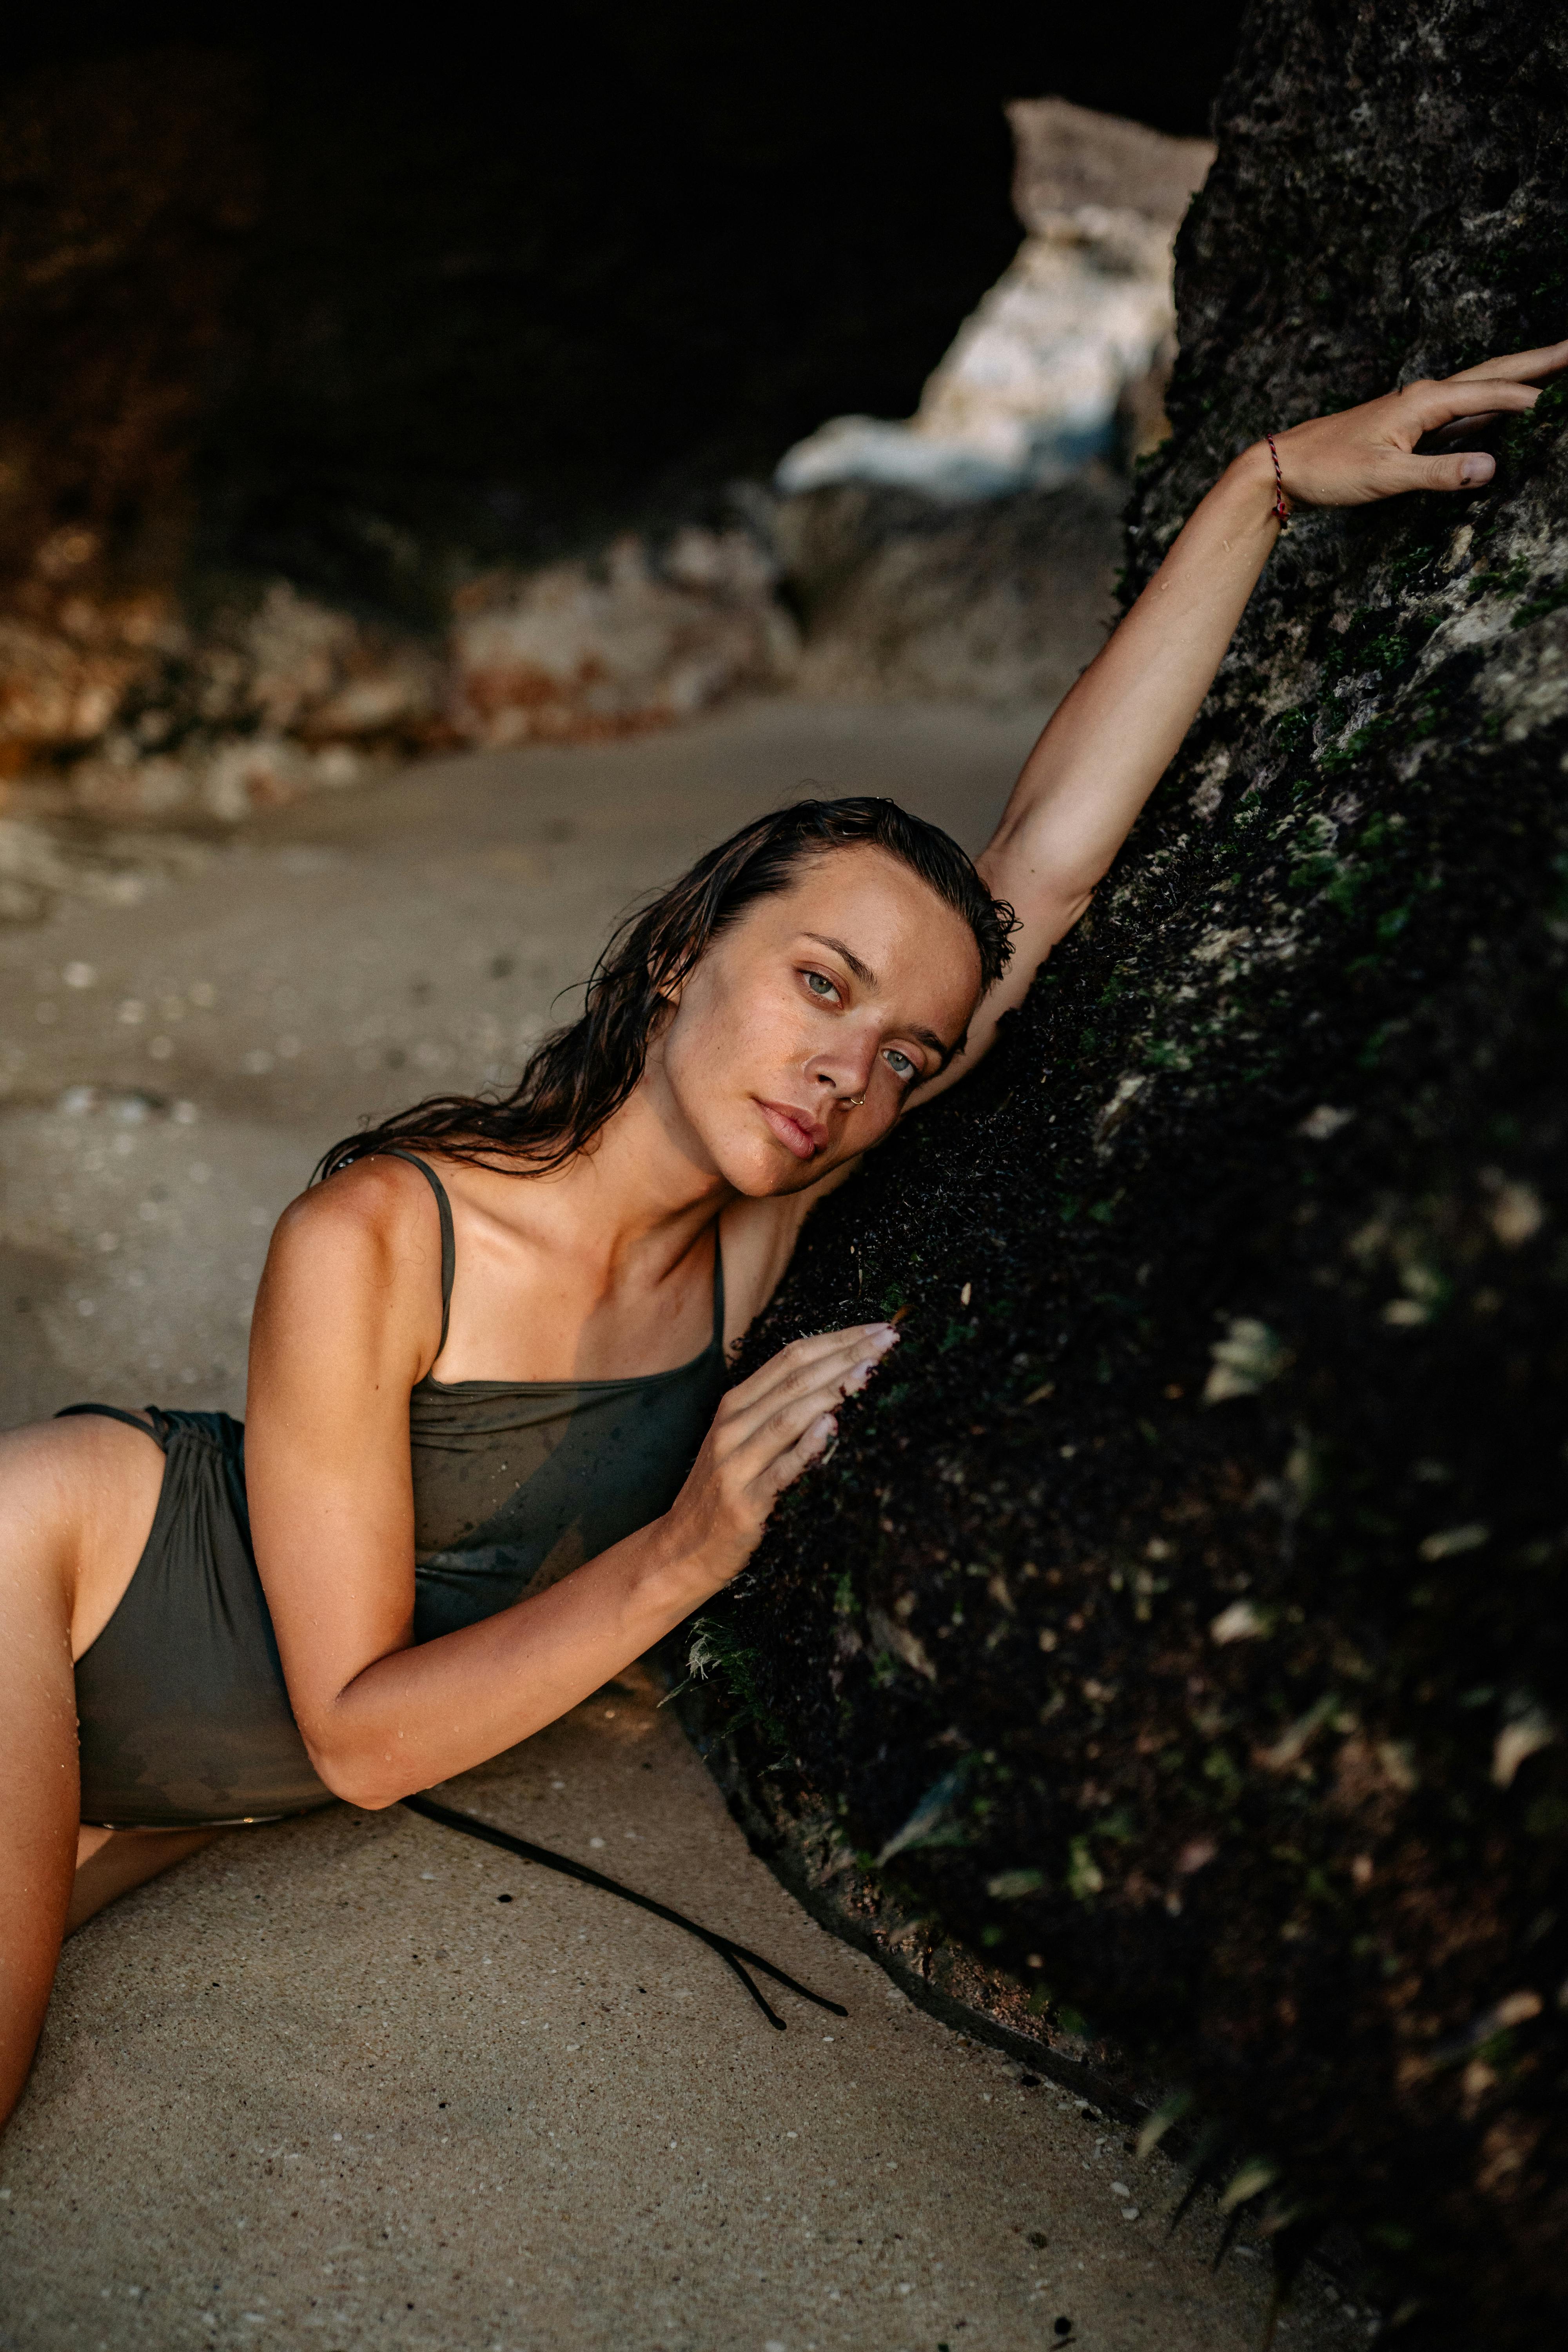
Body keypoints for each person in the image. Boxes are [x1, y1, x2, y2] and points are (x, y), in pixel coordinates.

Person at [2, 343, 1560, 2127]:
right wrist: (693, 1546)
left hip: (175, 1781)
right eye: (817, 983)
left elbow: (1036, 876)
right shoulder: (380, 1235)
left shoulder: (749, 1234)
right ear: (684, 954)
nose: (846, 1070)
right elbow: (357, 1734)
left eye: (902, 1053)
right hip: (54, 1580)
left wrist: (1261, 488)